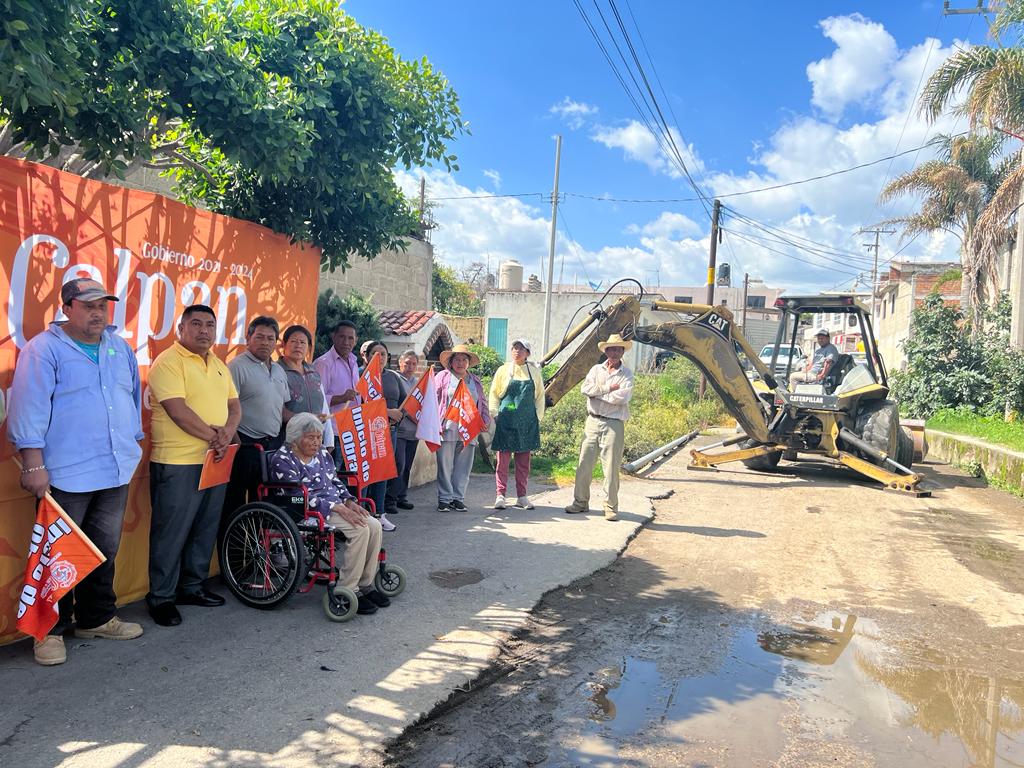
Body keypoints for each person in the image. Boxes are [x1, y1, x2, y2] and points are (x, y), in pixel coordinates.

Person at [8, 278, 145, 665]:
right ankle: (48, 631)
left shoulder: (119, 348)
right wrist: (33, 464)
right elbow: (28, 408)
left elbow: (131, 398)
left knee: (104, 550)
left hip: (114, 468)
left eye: (103, 305)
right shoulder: (44, 350)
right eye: (88, 305)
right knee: (57, 554)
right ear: (67, 307)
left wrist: (130, 444)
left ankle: (96, 617)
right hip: (66, 473)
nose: (98, 312)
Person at [146, 304, 240, 627]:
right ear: (181, 328)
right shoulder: (168, 362)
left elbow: (234, 406)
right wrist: (216, 438)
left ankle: (192, 586)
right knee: (170, 533)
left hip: (214, 460)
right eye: (196, 324)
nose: (204, 330)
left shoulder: (218, 364)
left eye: (210, 325)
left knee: (204, 528)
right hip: (178, 462)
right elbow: (177, 411)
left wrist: (227, 433)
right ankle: (161, 597)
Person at [270, 413, 389, 615]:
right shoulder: (282, 459)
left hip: (335, 506)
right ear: (295, 439)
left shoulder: (323, 454)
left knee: (374, 526)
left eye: (318, 437)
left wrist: (349, 501)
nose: (317, 442)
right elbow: (297, 495)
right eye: (311, 438)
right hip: (307, 511)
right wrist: (337, 508)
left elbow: (335, 481)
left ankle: (365, 584)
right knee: (359, 530)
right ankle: (347, 589)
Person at [564, 334, 635, 522]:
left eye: (618, 349)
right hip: (592, 420)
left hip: (613, 423)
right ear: (605, 351)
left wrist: (598, 393)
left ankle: (611, 506)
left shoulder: (626, 374)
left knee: (611, 466)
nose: (614, 352)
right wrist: (608, 389)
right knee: (584, 462)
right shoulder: (596, 369)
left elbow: (622, 398)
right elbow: (585, 390)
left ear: (622, 351)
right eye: (611, 349)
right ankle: (580, 502)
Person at [224, 316, 288, 516]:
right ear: (248, 338)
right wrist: (237, 444)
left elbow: (282, 409)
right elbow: (225, 409)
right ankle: (233, 548)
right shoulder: (236, 367)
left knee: (263, 503)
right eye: (259, 337)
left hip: (271, 447)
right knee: (235, 503)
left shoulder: (278, 370)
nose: (265, 342)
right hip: (244, 445)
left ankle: (256, 547)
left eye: (271, 338)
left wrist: (307, 422)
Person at [489, 339, 545, 510]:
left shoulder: (534, 372)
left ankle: (522, 496)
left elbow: (540, 397)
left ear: (528, 353)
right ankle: (500, 495)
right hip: (506, 421)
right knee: (503, 462)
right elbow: (494, 394)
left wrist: (537, 418)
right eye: (515, 348)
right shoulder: (503, 370)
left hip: (526, 423)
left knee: (523, 463)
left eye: (521, 349)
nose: (517, 351)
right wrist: (495, 414)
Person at [435, 344, 490, 511]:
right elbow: (432, 399)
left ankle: (458, 498)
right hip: (448, 427)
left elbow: (482, 402)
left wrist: (485, 420)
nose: (460, 363)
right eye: (457, 359)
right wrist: (435, 423)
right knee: (445, 465)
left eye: (464, 360)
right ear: (451, 362)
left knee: (463, 466)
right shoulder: (442, 377)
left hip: (469, 428)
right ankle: (444, 499)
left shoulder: (475, 380)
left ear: (468, 362)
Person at [359, 340, 403, 532]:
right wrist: (388, 412)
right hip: (366, 432)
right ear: (366, 356)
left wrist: (398, 415)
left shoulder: (393, 377)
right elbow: (361, 405)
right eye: (375, 354)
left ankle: (380, 514)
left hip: (389, 431)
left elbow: (405, 402)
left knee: (382, 474)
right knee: (366, 475)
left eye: (383, 354)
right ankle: (361, 515)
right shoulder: (361, 376)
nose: (380, 357)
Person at [278, 324, 334, 449]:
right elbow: (277, 410)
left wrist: (329, 441)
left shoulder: (313, 372)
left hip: (315, 442)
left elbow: (324, 407)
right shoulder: (277, 371)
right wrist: (308, 419)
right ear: (284, 345)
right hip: (289, 441)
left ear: (308, 348)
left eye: (303, 342)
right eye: (293, 341)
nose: (298, 345)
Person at [314, 320, 361, 466]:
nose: (346, 342)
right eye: (342, 337)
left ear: (356, 340)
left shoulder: (353, 361)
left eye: (350, 338)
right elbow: (318, 400)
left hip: (352, 430)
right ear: (333, 337)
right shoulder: (323, 363)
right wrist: (341, 398)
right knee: (335, 477)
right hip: (333, 433)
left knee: (349, 480)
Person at [389, 351, 420, 511]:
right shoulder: (395, 378)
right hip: (399, 430)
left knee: (407, 466)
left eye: (414, 363)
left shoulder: (417, 383)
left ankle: (402, 496)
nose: (410, 367)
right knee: (398, 465)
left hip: (414, 431)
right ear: (400, 363)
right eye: (407, 363)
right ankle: (390, 499)